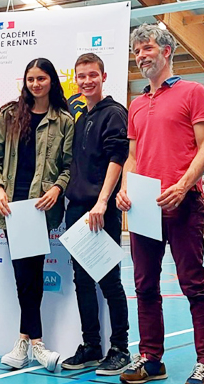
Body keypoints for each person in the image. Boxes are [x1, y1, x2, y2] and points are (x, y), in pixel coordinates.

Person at [116, 24, 204, 384]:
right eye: (137, 52)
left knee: (193, 284)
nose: (142, 56)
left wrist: (182, 185)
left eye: (147, 48)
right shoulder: (137, 104)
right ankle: (150, 359)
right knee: (145, 286)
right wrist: (124, 189)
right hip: (143, 205)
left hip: (183, 203)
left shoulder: (193, 91)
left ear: (166, 51)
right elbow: (132, 156)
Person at [0, 57, 74, 372]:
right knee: (26, 277)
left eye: (42, 78)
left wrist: (58, 188)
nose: (36, 84)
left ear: (52, 81)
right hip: (12, 207)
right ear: (25, 81)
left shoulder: (63, 120)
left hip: (40, 208)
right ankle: (33, 343)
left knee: (30, 276)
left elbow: (69, 164)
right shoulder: (8, 115)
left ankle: (28, 342)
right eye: (31, 79)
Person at [61, 53, 131, 376]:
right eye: (81, 76)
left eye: (93, 75)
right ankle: (92, 346)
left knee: (109, 280)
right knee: (82, 281)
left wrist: (103, 202)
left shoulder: (114, 113)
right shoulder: (80, 115)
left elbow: (118, 157)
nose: (87, 81)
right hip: (76, 209)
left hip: (99, 210)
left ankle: (120, 348)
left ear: (104, 76)